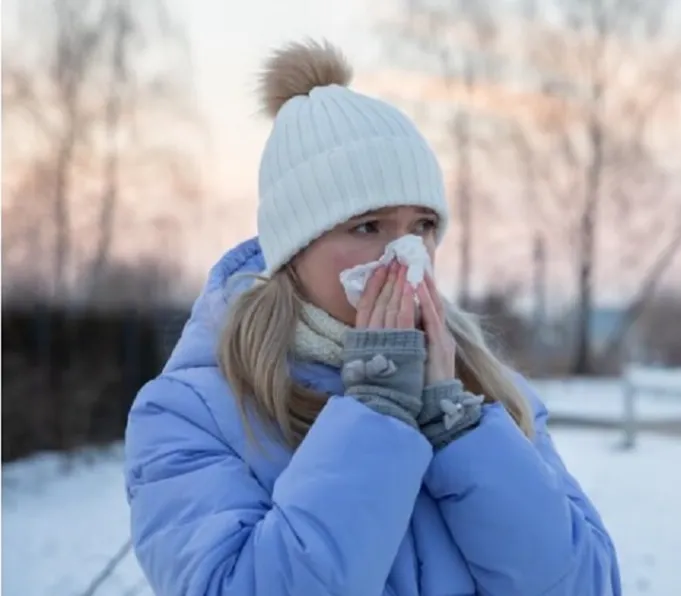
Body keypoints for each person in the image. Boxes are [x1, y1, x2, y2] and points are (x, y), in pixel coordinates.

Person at [124, 39, 621, 596]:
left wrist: (459, 430)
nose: (405, 254)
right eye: (369, 227)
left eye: (423, 226)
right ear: (294, 250)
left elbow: (586, 584)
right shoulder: (193, 414)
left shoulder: (491, 395)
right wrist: (375, 416)